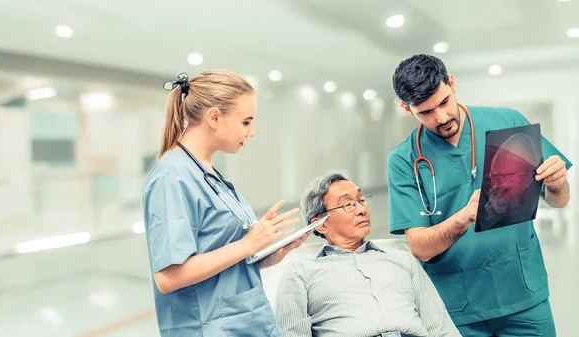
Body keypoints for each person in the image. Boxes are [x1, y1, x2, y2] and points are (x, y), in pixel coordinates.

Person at [387, 54, 572, 336]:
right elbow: (420, 248)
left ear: (451, 83)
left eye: (444, 102)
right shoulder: (404, 160)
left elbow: (559, 200)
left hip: (523, 293)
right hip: (457, 307)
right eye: (425, 112)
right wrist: (463, 218)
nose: (442, 117)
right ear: (405, 108)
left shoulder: (507, 122)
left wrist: (558, 184)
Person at [142, 70, 309, 337]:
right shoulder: (171, 177)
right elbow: (169, 277)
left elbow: (219, 256)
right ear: (215, 117)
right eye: (246, 122)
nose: (251, 132)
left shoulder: (206, 172)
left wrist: (263, 255)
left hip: (244, 322)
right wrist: (248, 244)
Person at [275, 172, 461, 337]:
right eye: (348, 204)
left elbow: (441, 328)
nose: (362, 210)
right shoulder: (301, 271)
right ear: (321, 224)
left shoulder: (402, 259)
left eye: (362, 200)